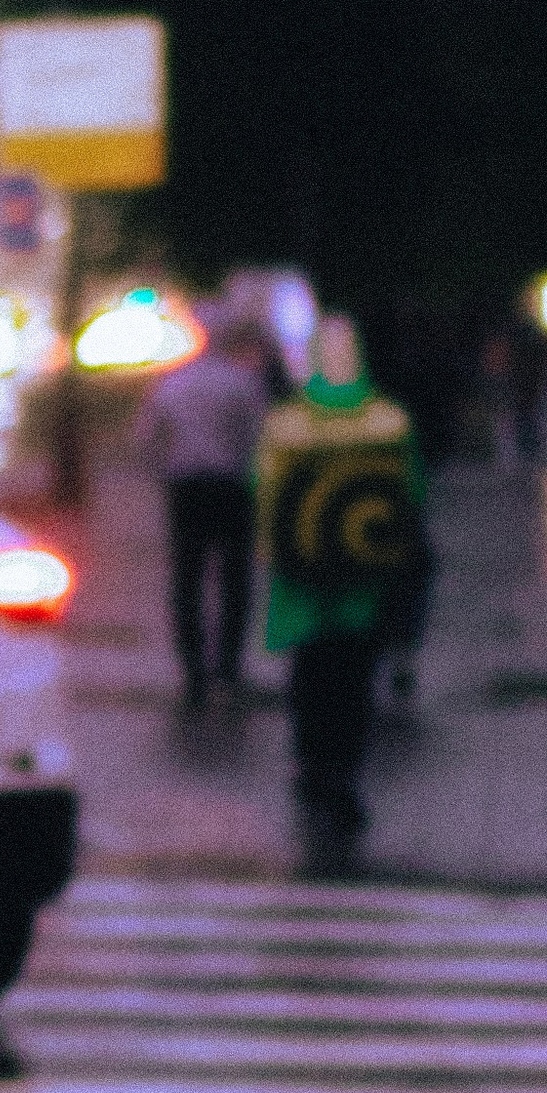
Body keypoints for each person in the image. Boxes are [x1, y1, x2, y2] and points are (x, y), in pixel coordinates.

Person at [255, 311, 425, 845]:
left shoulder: (286, 424)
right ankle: (345, 776)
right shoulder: (389, 422)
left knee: (310, 677)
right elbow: (411, 495)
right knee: (355, 680)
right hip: (363, 576)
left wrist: (272, 553)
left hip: (303, 577)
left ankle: (313, 767)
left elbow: (265, 494)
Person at [135, 313, 269, 707]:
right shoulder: (242, 382)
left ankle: (193, 670)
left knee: (187, 578)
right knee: (235, 579)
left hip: (186, 488)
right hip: (231, 487)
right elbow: (258, 436)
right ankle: (229, 667)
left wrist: (163, 471)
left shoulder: (172, 384)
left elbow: (147, 438)